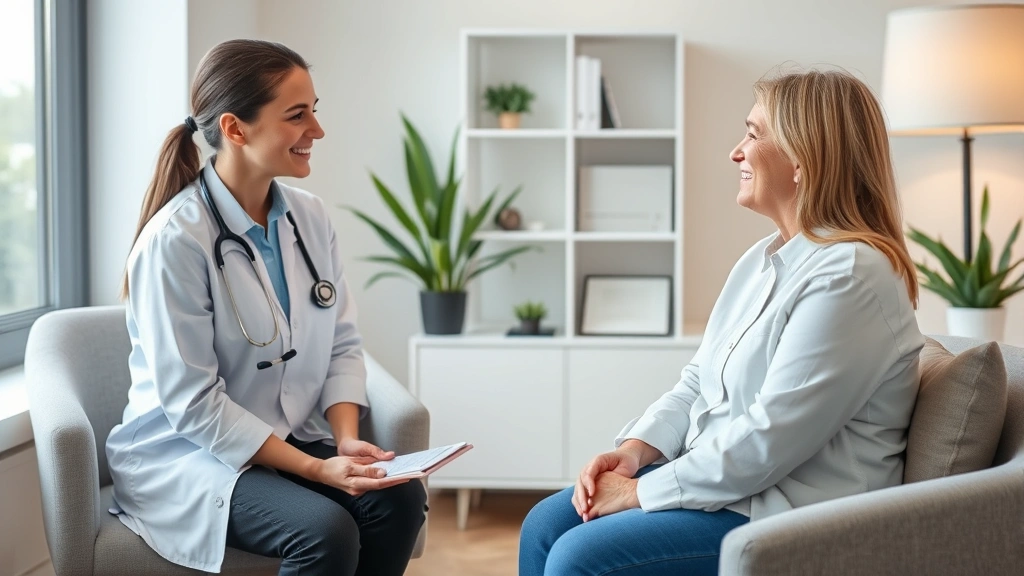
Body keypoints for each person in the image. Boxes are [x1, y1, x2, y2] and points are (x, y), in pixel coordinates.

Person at [519, 68, 925, 575]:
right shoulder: (763, 258)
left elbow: (769, 439)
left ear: (803, 158)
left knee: (580, 558)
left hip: (786, 515)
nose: (736, 152)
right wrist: (634, 451)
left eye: (753, 135)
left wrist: (641, 491)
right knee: (543, 525)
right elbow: (697, 382)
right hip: (731, 489)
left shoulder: (852, 276)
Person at [106, 39, 426, 576]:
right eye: (297, 116)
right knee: (325, 533)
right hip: (192, 455)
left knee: (397, 501)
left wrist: (345, 438)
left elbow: (342, 345)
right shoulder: (175, 241)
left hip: (289, 434)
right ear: (235, 128)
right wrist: (316, 470)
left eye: (314, 112)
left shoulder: (309, 218)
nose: (317, 131)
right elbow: (193, 407)